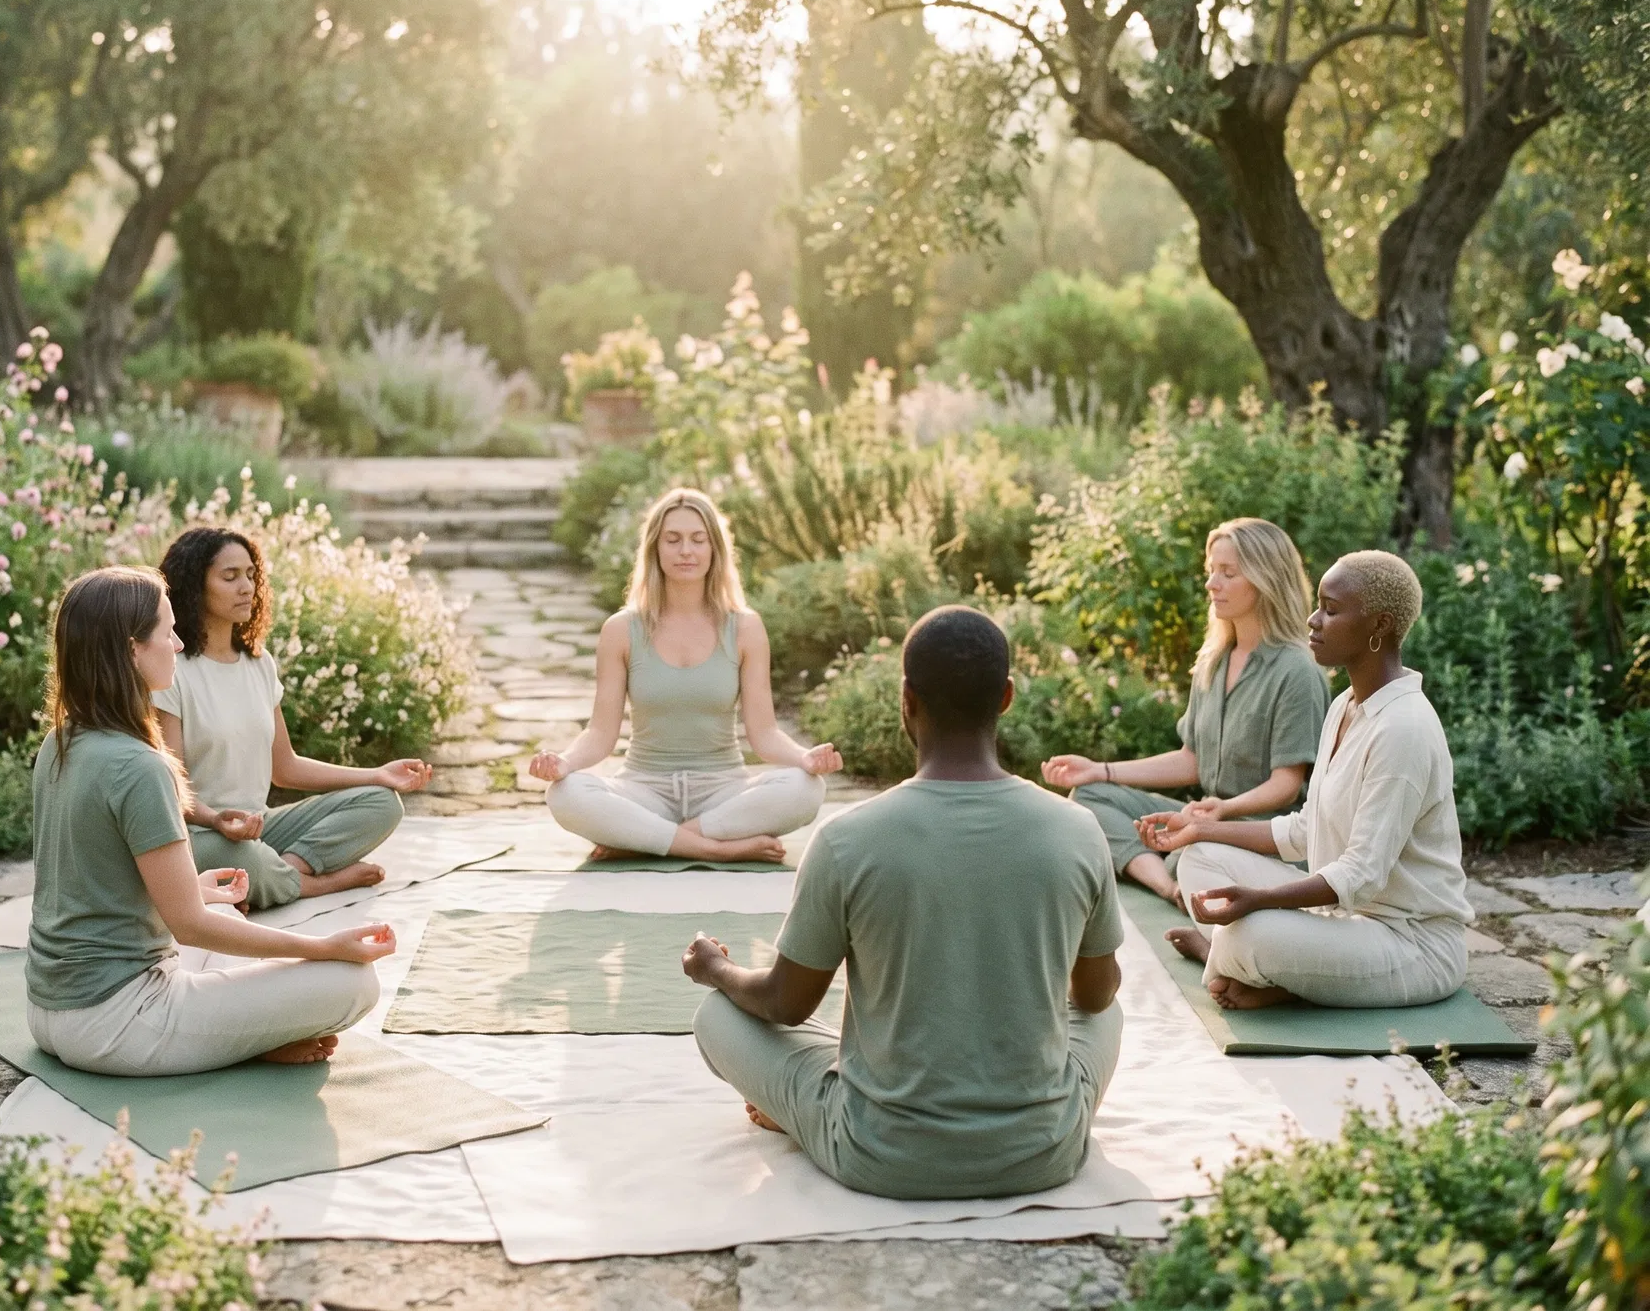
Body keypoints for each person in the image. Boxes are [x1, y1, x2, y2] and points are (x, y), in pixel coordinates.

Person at [682, 605, 1125, 1200]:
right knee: (1110, 1012)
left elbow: (785, 1003)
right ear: (1007, 697)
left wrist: (716, 968)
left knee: (716, 1014)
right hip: (1042, 1152)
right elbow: (1095, 996)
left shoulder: (848, 839)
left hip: (880, 1155)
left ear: (906, 700)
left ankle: (795, 1110)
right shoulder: (1077, 830)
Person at [25, 565, 396, 1076]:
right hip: (118, 1024)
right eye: (167, 632)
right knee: (353, 982)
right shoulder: (139, 767)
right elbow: (189, 928)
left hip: (48, 1011)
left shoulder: (60, 743)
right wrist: (324, 946)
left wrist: (195, 889)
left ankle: (245, 1037)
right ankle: (245, 1040)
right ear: (133, 650)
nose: (177, 644)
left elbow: (86, 885)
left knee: (225, 914)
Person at [1139, 550, 1473, 1010]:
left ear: (1379, 625)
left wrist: (1260, 900)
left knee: (1250, 930)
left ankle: (1233, 957)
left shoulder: (1404, 728)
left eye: (1331, 610)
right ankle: (1256, 966)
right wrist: (1200, 829)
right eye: (1318, 605)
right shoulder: (1345, 707)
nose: (1313, 621)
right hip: (1338, 920)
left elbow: (1361, 874)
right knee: (1199, 857)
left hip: (1409, 945)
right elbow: (1303, 830)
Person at [528, 488, 841, 863]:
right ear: (655, 550)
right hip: (644, 789)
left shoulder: (744, 628)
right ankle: (717, 849)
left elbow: (765, 734)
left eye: (698, 539)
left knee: (806, 789)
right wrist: (564, 763)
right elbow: (600, 733)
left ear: (714, 549)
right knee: (565, 793)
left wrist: (805, 758)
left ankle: (642, 840)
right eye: (672, 540)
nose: (686, 551)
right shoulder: (622, 630)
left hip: (722, 791)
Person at [1041, 517, 1329, 904]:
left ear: (1266, 580)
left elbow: (1286, 785)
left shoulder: (1298, 670)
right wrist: (1101, 770)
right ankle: (1169, 887)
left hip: (1258, 831)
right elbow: (1191, 760)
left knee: (1190, 851)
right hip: (1206, 817)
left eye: (1228, 573)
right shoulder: (1214, 660)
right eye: (1212, 571)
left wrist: (1221, 811)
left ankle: (1181, 866)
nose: (1212, 584)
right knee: (1091, 796)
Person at [154, 527, 432, 911]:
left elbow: (285, 768)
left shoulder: (258, 663)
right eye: (230, 576)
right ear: (193, 586)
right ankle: (319, 884)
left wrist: (377, 774)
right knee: (248, 861)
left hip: (260, 827)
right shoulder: (172, 670)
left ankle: (284, 873)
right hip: (201, 832)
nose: (247, 587)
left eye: (251, 575)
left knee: (382, 803)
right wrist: (218, 820)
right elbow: (169, 787)